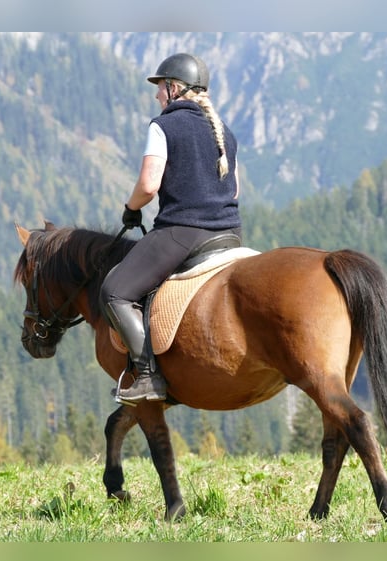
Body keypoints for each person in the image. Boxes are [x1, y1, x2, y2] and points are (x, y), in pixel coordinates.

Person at [100, 52, 242, 405]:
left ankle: (147, 375)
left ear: (174, 88)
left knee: (114, 291)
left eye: (159, 88)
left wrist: (131, 210)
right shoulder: (224, 131)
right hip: (229, 235)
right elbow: (235, 190)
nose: (156, 96)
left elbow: (149, 185)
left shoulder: (163, 126)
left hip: (183, 232)